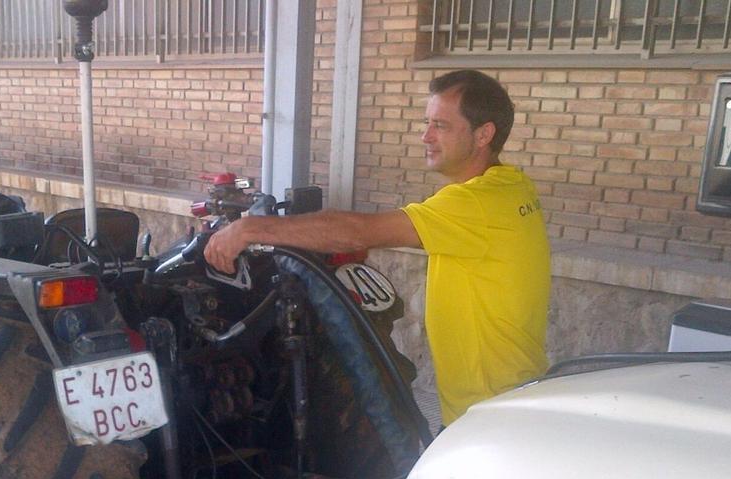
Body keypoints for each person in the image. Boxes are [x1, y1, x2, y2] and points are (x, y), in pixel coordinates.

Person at [205, 69, 551, 426]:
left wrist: (250, 228)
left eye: (441, 126)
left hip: (490, 414)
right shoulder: (511, 186)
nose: (425, 136)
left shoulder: (476, 203)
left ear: (484, 134)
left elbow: (357, 231)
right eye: (427, 123)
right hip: (509, 398)